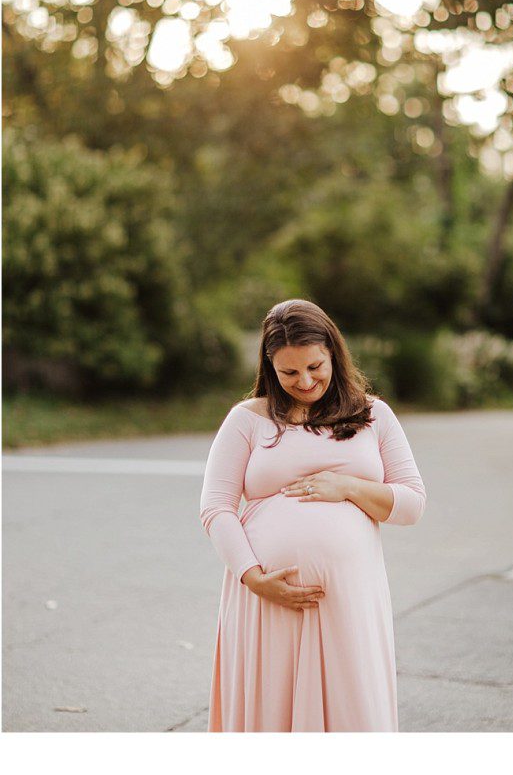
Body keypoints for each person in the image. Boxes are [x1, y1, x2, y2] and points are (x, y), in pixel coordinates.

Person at [199, 299, 426, 731]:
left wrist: (348, 488)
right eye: (289, 372)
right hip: (268, 596)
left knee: (351, 709)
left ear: (334, 355)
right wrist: (253, 577)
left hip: (349, 597)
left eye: (315, 367)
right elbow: (216, 507)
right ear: (270, 367)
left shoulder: (374, 415)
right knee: (273, 709)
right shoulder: (246, 420)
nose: (305, 381)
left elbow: (412, 503)